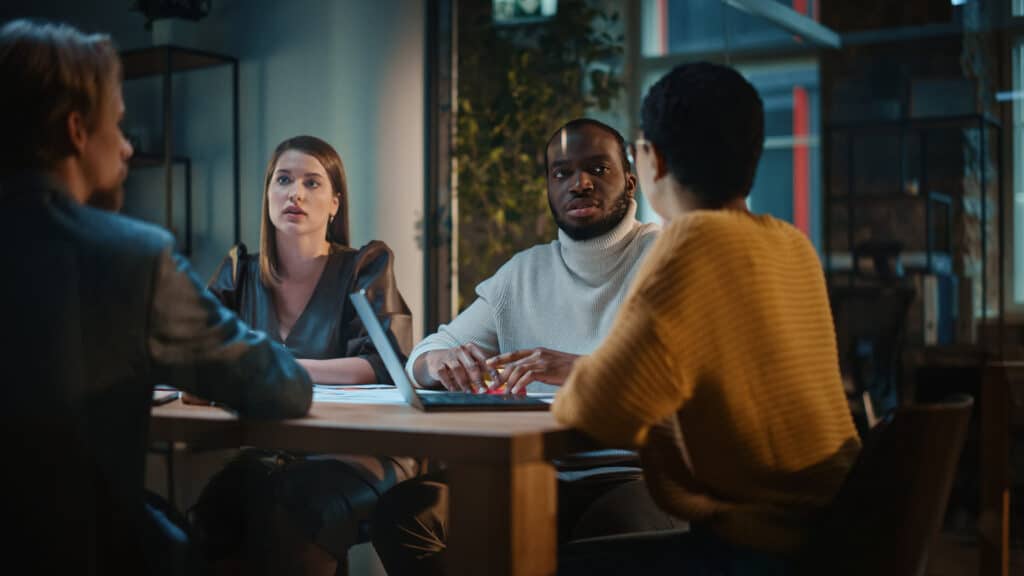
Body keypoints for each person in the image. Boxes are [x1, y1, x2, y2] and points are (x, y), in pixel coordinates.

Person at [0, 19, 312, 575]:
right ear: (76, 131)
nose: (127, 147)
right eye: (118, 125)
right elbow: (280, 387)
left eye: (311, 183)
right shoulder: (131, 258)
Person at [552, 62, 862, 575]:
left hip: (764, 549)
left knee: (534, 562)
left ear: (651, 160)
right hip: (833, 534)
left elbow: (597, 409)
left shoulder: (693, 243)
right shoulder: (791, 244)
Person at [371, 118, 686, 575]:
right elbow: (427, 353)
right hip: (534, 472)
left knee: (597, 542)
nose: (579, 183)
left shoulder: (668, 259)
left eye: (597, 169)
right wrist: (441, 361)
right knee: (405, 514)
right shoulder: (524, 273)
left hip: (640, 474)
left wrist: (578, 369)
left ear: (630, 182)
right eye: (561, 173)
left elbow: (686, 377)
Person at [192, 135, 418, 575]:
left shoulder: (364, 266)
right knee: (211, 524)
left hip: (364, 449)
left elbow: (384, 363)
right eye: (283, 180)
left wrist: (277, 367)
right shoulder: (239, 273)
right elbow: (200, 353)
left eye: (312, 183)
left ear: (335, 203)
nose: (295, 193)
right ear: (269, 195)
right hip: (271, 450)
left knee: (301, 516)